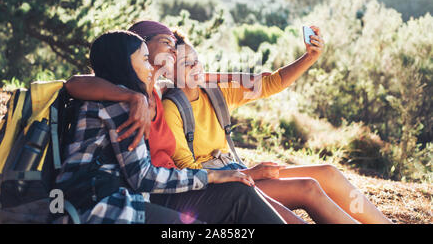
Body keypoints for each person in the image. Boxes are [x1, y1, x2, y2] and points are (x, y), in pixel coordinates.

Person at [162, 28, 393, 224]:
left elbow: (271, 82)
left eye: (196, 60)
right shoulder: (172, 109)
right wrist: (250, 173)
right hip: (221, 188)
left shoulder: (216, 92)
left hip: (237, 171)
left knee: (327, 173)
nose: (196, 67)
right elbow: (190, 173)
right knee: (308, 188)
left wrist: (310, 57)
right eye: (186, 64)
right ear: (167, 71)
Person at [57, 29, 286, 224]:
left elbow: (198, 78)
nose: (152, 66)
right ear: (125, 61)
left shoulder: (135, 95)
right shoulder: (122, 104)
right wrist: (213, 177)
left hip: (123, 198)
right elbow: (143, 177)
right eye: (145, 59)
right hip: (104, 207)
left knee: (239, 193)